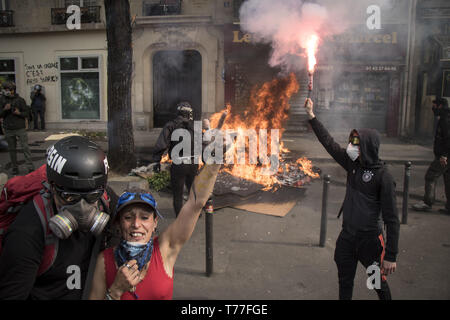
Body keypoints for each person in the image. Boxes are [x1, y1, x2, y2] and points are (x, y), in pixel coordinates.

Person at [89, 149, 224, 300]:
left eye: (144, 217)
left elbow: (195, 203)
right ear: (119, 224)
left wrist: (215, 159)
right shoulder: (104, 261)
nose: (136, 224)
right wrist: (115, 291)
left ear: (155, 223)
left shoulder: (165, 250)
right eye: (128, 217)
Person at [304, 98, 400, 300]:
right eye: (351, 141)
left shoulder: (384, 176)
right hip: (347, 238)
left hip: (370, 243)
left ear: (367, 147)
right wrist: (312, 116)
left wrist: (391, 256)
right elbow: (329, 143)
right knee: (344, 281)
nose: (351, 146)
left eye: (356, 143)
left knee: (377, 284)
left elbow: (392, 220)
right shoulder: (352, 165)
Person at [0, 136, 112, 300]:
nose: (82, 207)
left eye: (91, 196)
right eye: (69, 197)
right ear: (52, 187)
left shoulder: (106, 201)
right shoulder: (27, 232)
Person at [151, 101, 198, 217]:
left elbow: (161, 144)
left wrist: (156, 161)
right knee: (193, 191)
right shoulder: (195, 126)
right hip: (193, 163)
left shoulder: (171, 125)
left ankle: (180, 217)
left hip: (179, 164)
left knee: (178, 194)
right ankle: (195, 214)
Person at [413, 98, 450, 215]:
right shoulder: (445, 118)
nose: (433, 108)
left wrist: (444, 155)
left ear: (440, 106)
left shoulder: (446, 119)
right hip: (446, 155)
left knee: (430, 176)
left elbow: (448, 138)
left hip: (445, 156)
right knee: (448, 180)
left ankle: (427, 202)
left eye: (434, 106)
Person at [0, 81, 34, 175]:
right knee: (12, 149)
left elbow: (27, 114)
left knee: (25, 147)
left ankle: (30, 167)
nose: (5, 91)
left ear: (12, 90)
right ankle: (14, 167)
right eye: (5, 89)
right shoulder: (2, 100)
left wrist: (19, 113)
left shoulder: (20, 100)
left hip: (20, 128)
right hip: (8, 128)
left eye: (7, 90)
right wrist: (4, 110)